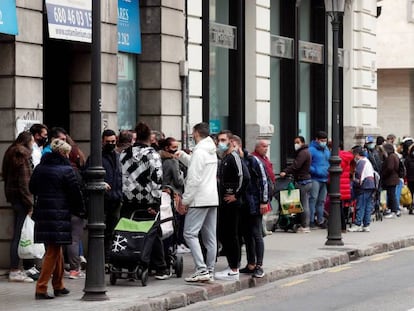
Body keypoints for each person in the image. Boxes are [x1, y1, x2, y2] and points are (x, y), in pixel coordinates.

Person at [30, 139, 85, 299]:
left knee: (56, 250)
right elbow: (75, 193)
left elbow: (32, 188)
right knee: (53, 252)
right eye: (68, 153)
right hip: (59, 213)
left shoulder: (40, 168)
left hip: (43, 212)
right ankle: (41, 287)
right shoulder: (66, 169)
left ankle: (58, 285)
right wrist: (81, 210)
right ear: (63, 153)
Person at [120, 122, 170, 280]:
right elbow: (156, 178)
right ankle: (160, 267)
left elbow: (122, 175)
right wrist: (156, 201)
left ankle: (129, 264)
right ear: (149, 137)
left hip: (128, 199)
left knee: (129, 231)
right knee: (152, 233)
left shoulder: (125, 153)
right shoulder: (152, 154)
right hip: (147, 199)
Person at [176, 122, 219, 282]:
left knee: (189, 233)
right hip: (211, 198)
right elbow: (197, 166)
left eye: (193, 133)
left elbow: (194, 178)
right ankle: (209, 271)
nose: (192, 136)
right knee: (210, 238)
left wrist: (185, 201)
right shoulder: (209, 150)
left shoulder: (200, 151)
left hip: (199, 198)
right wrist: (183, 156)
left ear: (196, 133)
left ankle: (201, 270)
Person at [233, 136, 269, 278]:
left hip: (254, 202)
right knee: (246, 235)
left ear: (239, 146)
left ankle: (259, 265)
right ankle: (250, 263)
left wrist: (263, 201)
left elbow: (263, 181)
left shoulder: (253, 160)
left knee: (256, 233)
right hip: (242, 204)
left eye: (233, 145)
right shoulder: (233, 161)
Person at [2, 131, 36, 282]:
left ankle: (17, 268)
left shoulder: (10, 152)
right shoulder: (23, 155)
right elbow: (25, 182)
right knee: (19, 234)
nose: (34, 143)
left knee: (18, 234)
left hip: (14, 197)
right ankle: (15, 270)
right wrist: (30, 203)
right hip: (22, 199)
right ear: (28, 141)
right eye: (33, 141)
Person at [215, 130, 243, 281]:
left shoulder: (233, 157)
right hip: (224, 202)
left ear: (231, 141)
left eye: (223, 140)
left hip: (232, 203)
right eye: (219, 140)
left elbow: (243, 177)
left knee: (231, 235)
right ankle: (231, 265)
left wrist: (236, 195)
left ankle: (234, 268)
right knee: (224, 234)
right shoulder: (224, 158)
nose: (221, 142)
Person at [158, 137, 189, 254]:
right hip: (173, 195)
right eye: (174, 147)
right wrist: (182, 173)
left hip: (162, 194)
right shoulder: (173, 161)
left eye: (177, 147)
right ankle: (172, 248)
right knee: (174, 223)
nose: (176, 150)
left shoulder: (160, 158)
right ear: (167, 148)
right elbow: (179, 181)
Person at [280, 136, 312, 233]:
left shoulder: (303, 153)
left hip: (303, 181)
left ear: (302, 142)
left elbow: (296, 165)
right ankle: (304, 224)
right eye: (295, 142)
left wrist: (285, 171)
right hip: (306, 180)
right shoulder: (306, 152)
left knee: (304, 204)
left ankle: (305, 225)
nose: (296, 144)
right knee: (304, 203)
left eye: (297, 142)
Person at [348, 146, 376, 232]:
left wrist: (354, 186)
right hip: (371, 185)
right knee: (368, 206)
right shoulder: (367, 161)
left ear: (356, 155)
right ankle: (366, 225)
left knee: (361, 205)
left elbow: (358, 176)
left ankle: (357, 224)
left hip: (364, 186)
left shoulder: (361, 162)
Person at [251, 140, 275, 235]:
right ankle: (261, 230)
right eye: (263, 146)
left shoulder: (265, 158)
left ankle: (262, 229)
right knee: (262, 211)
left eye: (266, 147)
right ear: (257, 147)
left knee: (265, 211)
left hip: (268, 187)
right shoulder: (254, 158)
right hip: (262, 189)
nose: (266, 149)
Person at [308, 131, 330, 228]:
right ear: (317, 140)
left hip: (324, 179)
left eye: (325, 141)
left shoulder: (326, 149)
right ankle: (311, 220)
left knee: (321, 201)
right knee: (313, 199)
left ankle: (320, 220)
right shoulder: (311, 150)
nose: (323, 142)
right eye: (322, 140)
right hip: (315, 178)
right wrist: (316, 171)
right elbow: (307, 164)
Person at [382, 142, 401, 218]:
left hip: (391, 179)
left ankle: (394, 210)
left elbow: (390, 168)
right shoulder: (394, 156)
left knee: (391, 195)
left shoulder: (391, 157)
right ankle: (394, 209)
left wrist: (384, 173)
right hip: (394, 178)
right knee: (392, 194)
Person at [404, 144, 414, 214]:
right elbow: (405, 170)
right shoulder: (408, 159)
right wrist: (405, 180)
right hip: (410, 179)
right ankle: (410, 207)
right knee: (410, 194)